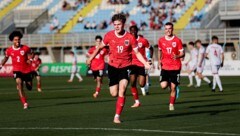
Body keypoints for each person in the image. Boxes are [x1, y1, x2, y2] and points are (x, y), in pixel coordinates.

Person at [86, 13, 151, 123]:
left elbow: (137, 53)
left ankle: (117, 116)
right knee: (114, 93)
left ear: (123, 24)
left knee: (122, 90)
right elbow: (99, 48)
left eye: (119, 24)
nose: (117, 26)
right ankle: (117, 105)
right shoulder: (109, 35)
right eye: (115, 24)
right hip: (112, 67)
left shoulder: (130, 38)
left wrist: (145, 63)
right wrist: (90, 58)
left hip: (125, 67)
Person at [0, 30, 32, 109]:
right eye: (16, 40)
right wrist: (1, 65)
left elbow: (31, 53)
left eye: (19, 39)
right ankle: (25, 103)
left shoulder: (25, 48)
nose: (17, 41)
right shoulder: (9, 50)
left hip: (26, 70)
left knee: (29, 87)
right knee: (19, 84)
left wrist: (30, 60)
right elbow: (5, 58)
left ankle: (25, 82)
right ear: (12, 41)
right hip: (17, 70)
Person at [158, 22, 185, 111]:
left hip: (175, 67)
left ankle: (171, 104)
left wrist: (177, 56)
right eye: (166, 29)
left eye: (169, 28)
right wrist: (159, 60)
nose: (168, 30)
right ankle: (171, 83)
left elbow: (182, 53)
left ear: (172, 29)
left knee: (173, 88)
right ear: (164, 30)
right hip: (165, 66)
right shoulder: (161, 40)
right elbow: (160, 51)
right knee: (163, 86)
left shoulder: (177, 40)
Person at [129, 25, 151, 108]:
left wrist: (149, 59)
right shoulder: (128, 41)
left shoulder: (143, 40)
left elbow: (150, 48)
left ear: (137, 31)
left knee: (141, 84)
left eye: (134, 30)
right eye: (131, 31)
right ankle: (137, 101)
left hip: (141, 63)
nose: (133, 32)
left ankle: (146, 86)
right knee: (132, 82)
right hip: (132, 64)